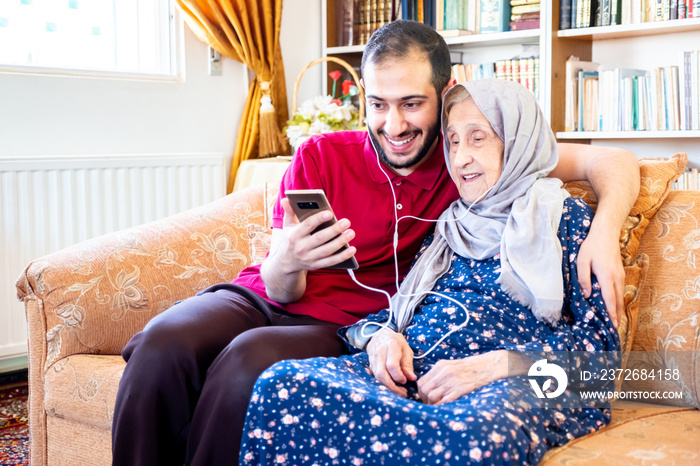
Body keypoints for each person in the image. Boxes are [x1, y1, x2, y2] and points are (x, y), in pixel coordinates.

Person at [111, 20, 638, 466]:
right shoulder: (339, 162)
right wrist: (288, 259)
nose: (396, 124)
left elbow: (605, 160)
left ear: (443, 93)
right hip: (279, 301)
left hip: (339, 326)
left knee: (246, 365)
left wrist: (606, 230)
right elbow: (283, 288)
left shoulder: (479, 169)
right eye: (379, 104)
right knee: (162, 345)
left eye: (412, 103)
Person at [240, 78, 620, 465]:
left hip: (503, 384)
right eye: (453, 141)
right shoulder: (448, 224)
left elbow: (604, 360)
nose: (460, 158)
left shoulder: (566, 219)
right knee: (281, 384)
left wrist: (496, 366)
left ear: (520, 142)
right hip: (412, 373)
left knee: (471, 437)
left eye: (478, 138)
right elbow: (395, 312)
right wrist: (380, 338)